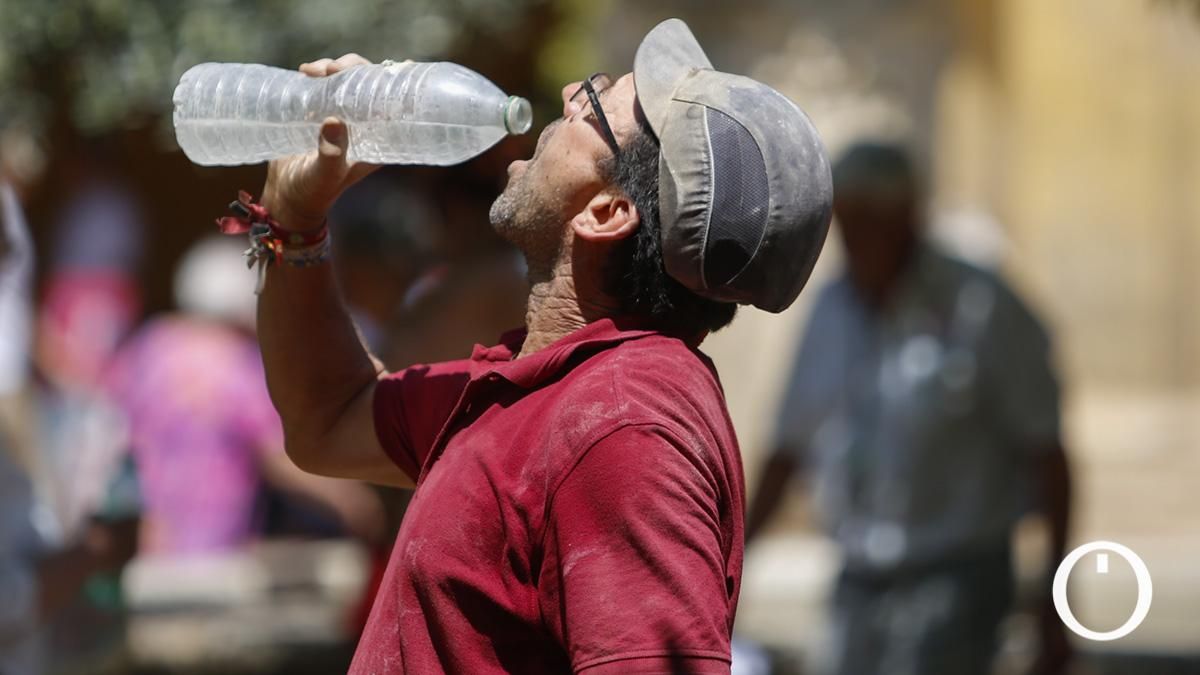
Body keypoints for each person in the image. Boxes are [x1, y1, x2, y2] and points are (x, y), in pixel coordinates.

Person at [229, 18, 832, 673]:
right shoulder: (554, 389)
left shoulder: (625, 426)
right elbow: (329, 418)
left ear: (606, 212)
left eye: (593, 103)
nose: (570, 93)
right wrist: (292, 220)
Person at [745, 142, 1073, 675]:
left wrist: (1056, 605)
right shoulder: (830, 308)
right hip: (858, 578)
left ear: (907, 218)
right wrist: (736, 564)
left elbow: (1047, 452)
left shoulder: (982, 304)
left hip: (958, 577)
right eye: (845, 225)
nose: (853, 241)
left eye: (869, 223)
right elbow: (789, 446)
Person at [105, 237, 385, 555]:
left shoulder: (148, 347)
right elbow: (279, 454)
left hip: (148, 545)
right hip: (214, 550)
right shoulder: (237, 364)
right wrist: (352, 502)